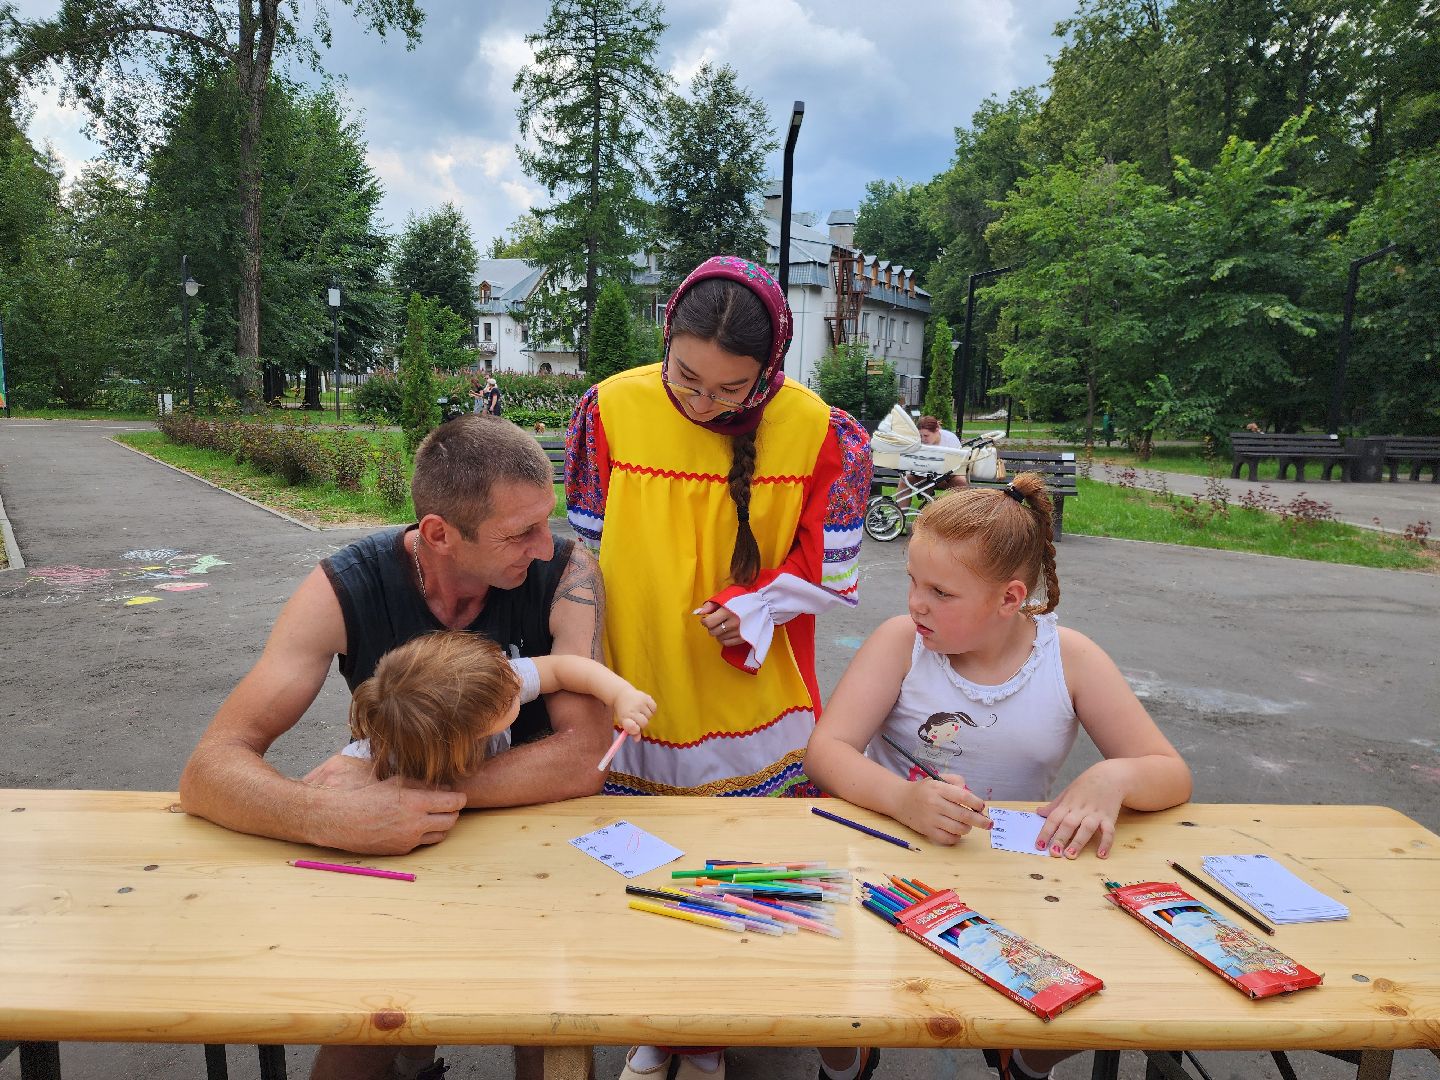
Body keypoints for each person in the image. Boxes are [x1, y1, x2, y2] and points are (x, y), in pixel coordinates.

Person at [179, 414, 612, 1080]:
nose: (546, 547)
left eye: (543, 520)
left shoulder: (567, 572)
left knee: (546, 1030)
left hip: (534, 855)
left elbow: (584, 755)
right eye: (520, 532)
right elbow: (209, 769)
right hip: (404, 859)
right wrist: (327, 816)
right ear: (438, 533)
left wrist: (417, 799)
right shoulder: (343, 587)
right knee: (367, 1029)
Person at [565, 255, 875, 1080]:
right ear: (664, 336)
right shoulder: (610, 410)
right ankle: (659, 1017)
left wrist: (756, 604)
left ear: (769, 370)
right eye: (686, 377)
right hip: (640, 681)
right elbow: (586, 554)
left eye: (729, 390)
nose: (700, 403)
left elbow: (835, 573)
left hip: (756, 693)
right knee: (644, 863)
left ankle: (712, 1027)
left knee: (745, 874)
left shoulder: (819, 430)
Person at [804, 473, 1192, 1080]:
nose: (916, 603)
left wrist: (1112, 778)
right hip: (885, 859)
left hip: (1012, 875)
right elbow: (826, 751)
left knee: (1092, 991)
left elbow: (1170, 773)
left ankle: (1027, 1063)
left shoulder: (1070, 658)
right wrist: (903, 799)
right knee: (827, 990)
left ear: (1010, 599)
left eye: (941, 592)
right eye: (912, 580)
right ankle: (845, 1057)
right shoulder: (901, 644)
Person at [343, 630, 654, 786]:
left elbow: (563, 668)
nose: (517, 684)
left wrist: (621, 694)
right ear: (475, 729)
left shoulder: (495, 680)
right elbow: (336, 782)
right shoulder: (379, 759)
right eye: (508, 698)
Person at [900, 414, 968, 510]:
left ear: (937, 430)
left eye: (926, 435)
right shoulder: (918, 441)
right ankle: (899, 515)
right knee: (905, 479)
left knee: (961, 481)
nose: (923, 439)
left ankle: (959, 514)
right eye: (920, 435)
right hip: (924, 474)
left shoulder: (950, 439)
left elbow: (958, 465)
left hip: (947, 476)